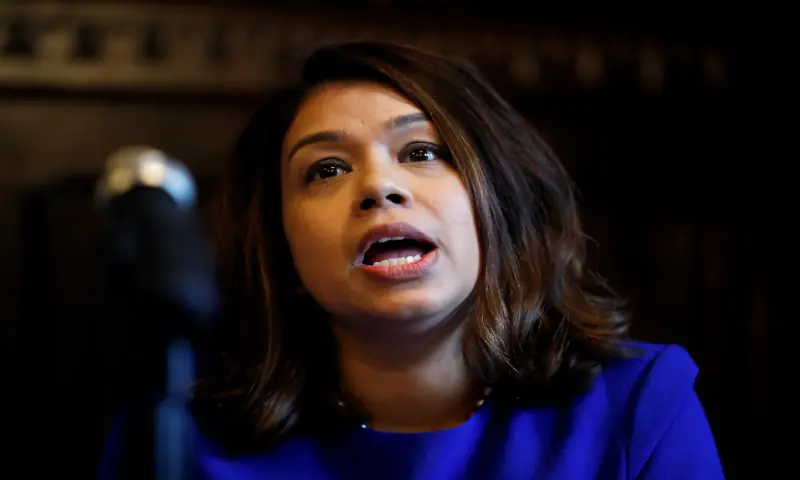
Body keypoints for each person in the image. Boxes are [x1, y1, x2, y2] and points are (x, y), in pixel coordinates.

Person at [100, 41, 724, 479]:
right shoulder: (177, 433)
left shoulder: (637, 407)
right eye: (327, 169)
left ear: (497, 203)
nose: (379, 186)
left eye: (422, 152)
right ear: (279, 246)